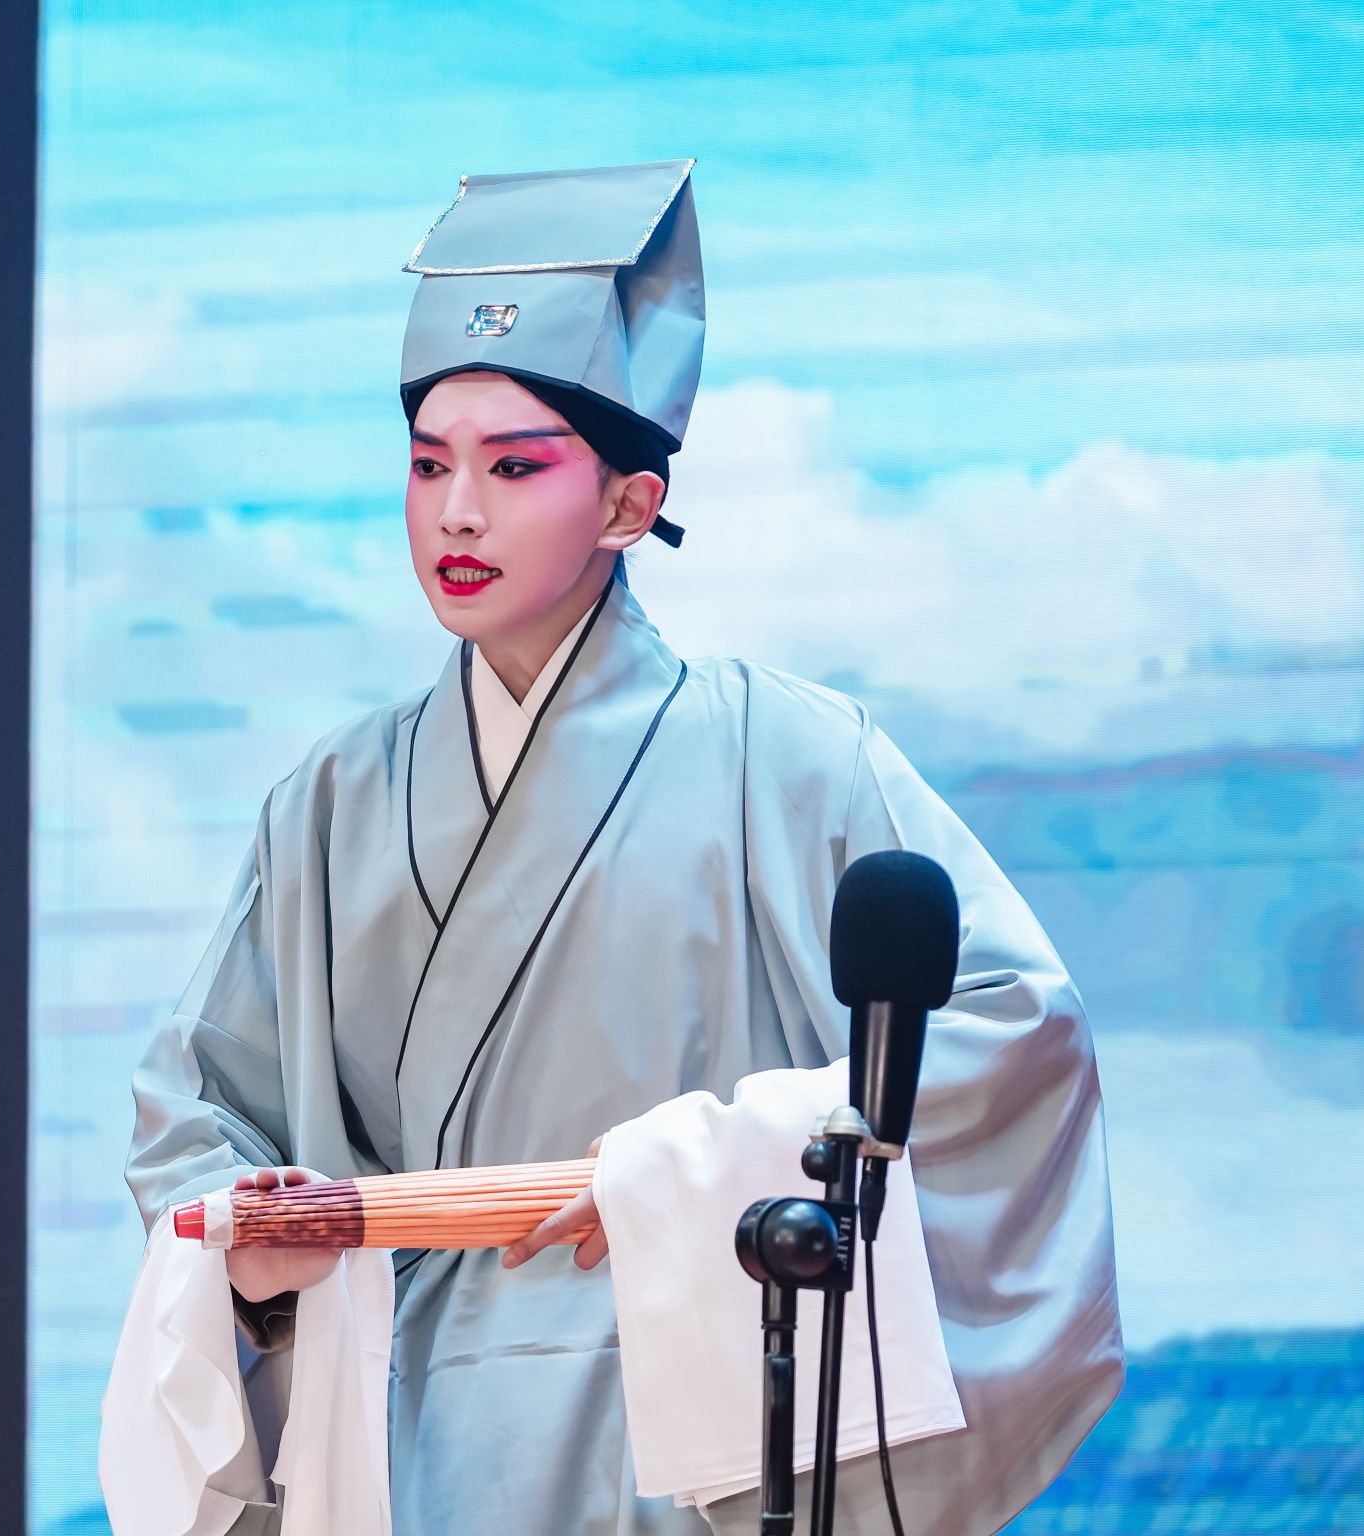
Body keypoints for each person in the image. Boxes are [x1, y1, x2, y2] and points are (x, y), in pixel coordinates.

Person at [105, 160, 1122, 1536]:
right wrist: (248, 1230)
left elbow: (1012, 1033)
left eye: (515, 466)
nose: (458, 513)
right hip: (402, 1425)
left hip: (689, 1420)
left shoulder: (789, 752)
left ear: (632, 505)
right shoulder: (332, 801)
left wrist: (689, 1171)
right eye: (428, 465)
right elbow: (196, 1105)